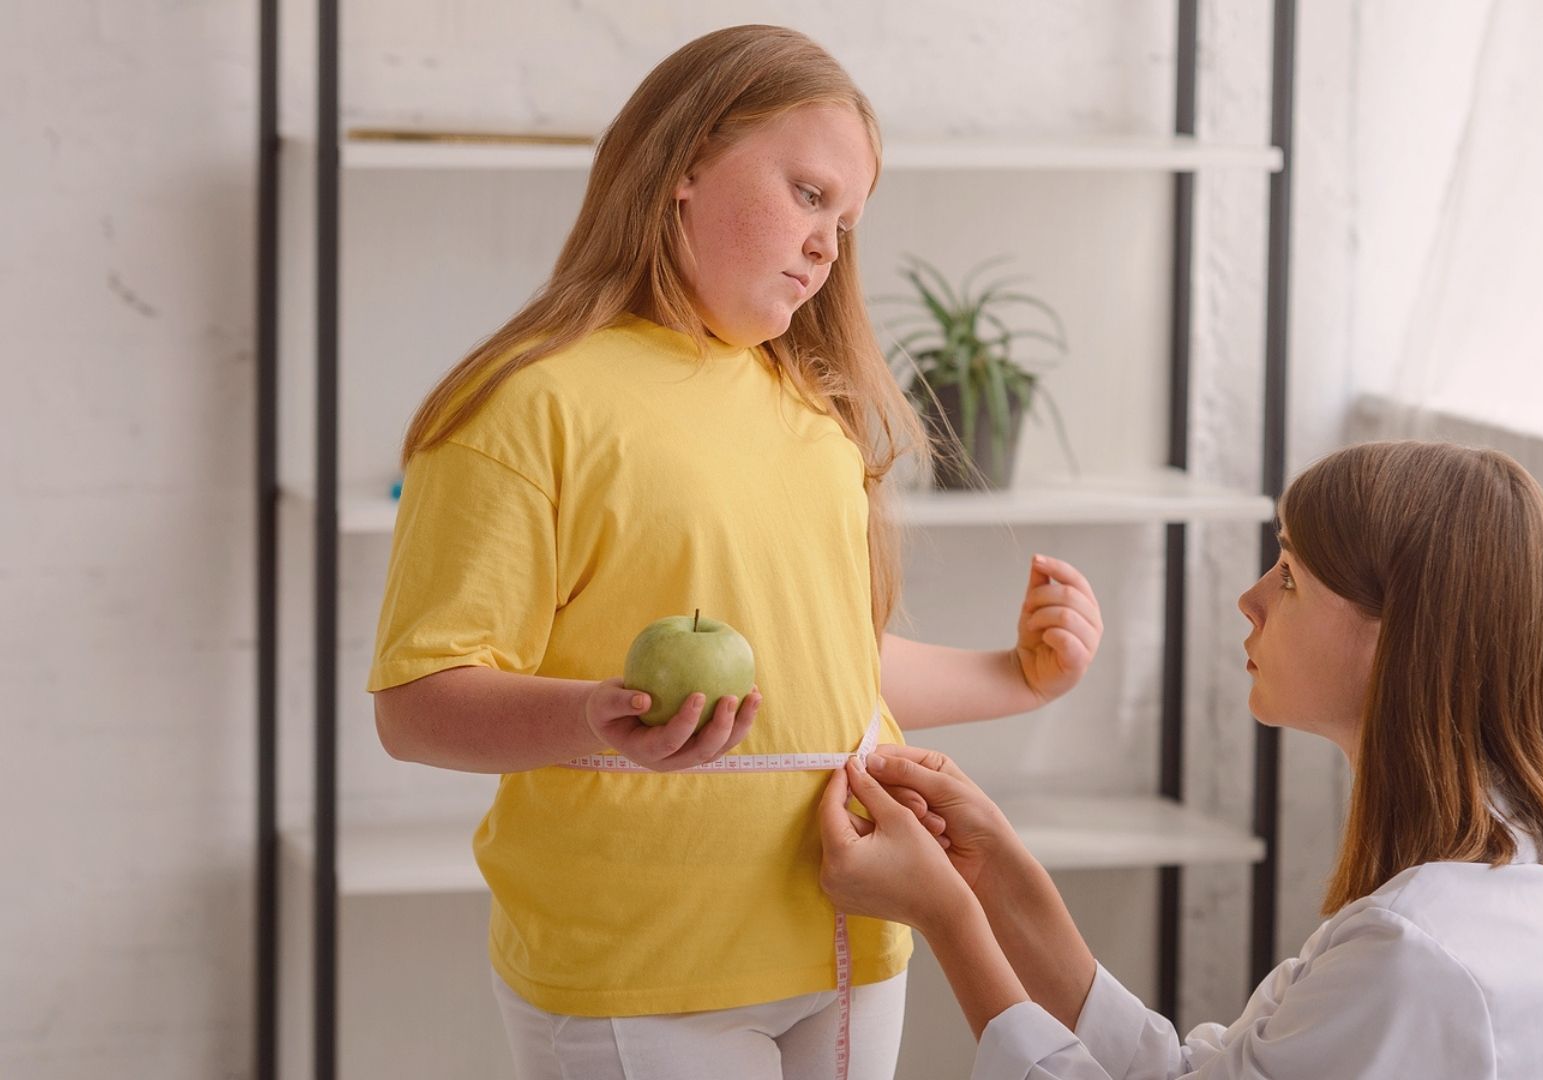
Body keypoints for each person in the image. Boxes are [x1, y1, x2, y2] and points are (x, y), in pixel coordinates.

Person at [366, 25, 1105, 1080]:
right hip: (642, 966)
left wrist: (1018, 678)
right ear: (686, 165)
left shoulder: (808, 411)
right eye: (809, 193)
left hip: (854, 940)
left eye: (847, 220)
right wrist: (595, 717)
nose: (829, 246)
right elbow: (416, 702)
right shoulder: (528, 405)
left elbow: (823, 669)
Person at [820, 440, 1543, 1078]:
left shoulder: (1419, 954)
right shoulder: (1524, 867)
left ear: (1395, 637)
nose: (1251, 599)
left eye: (1291, 576)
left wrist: (947, 919)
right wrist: (996, 875)